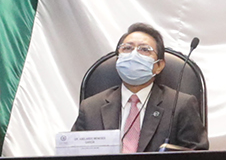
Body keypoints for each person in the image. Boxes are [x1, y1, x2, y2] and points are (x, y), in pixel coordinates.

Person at [72, 22, 207, 151]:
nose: (134, 55)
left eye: (144, 49)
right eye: (127, 48)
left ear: (159, 65)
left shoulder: (180, 105)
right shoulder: (91, 108)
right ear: (118, 60)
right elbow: (73, 156)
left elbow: (197, 158)